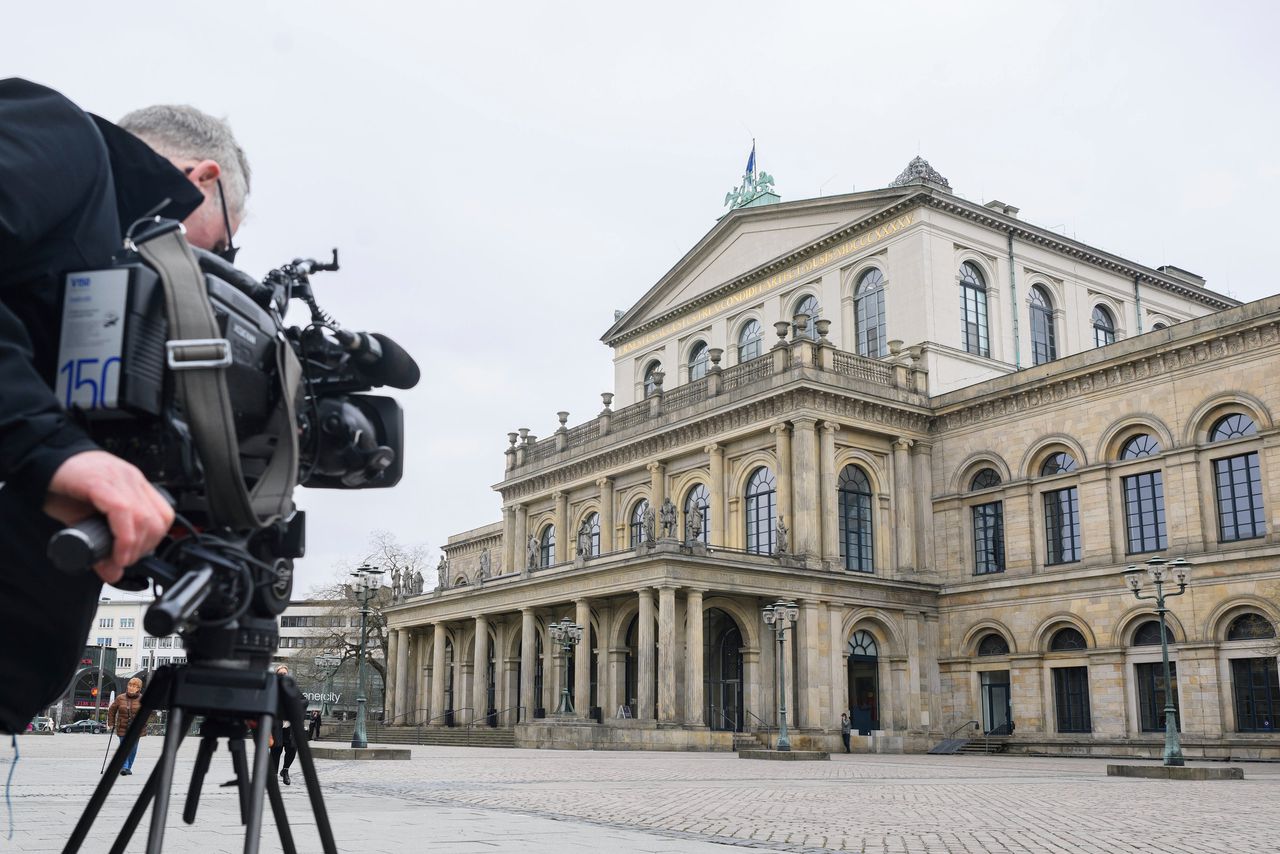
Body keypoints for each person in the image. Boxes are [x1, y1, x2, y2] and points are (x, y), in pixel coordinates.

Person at [0, 79, 250, 734]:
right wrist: (46, 447)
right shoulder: (63, 138)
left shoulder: (104, 267)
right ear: (203, 179)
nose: (215, 268)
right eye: (224, 246)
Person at [106, 678, 153, 775]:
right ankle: (124, 767)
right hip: (122, 727)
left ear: (138, 688)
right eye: (130, 685)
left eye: (134, 686)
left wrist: (143, 723)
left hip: (136, 729)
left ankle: (128, 767)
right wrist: (111, 723)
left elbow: (148, 713)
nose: (131, 688)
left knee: (133, 749)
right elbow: (112, 711)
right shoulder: (120, 698)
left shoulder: (143, 699)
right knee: (123, 747)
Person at [270, 665, 298, 785]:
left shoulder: (292, 688)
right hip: (276, 726)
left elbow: (303, 700)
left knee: (292, 749)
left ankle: (285, 770)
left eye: (285, 674)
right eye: (280, 673)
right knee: (276, 750)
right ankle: (274, 775)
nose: (283, 676)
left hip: (289, 727)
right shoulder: (271, 689)